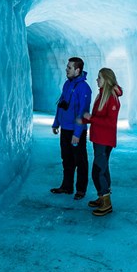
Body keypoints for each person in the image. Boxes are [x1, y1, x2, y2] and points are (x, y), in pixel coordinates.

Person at [82, 67, 122, 217]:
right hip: (99, 139)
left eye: (99, 77)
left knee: (99, 171)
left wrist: (90, 118)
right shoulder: (102, 95)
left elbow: (110, 122)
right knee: (101, 169)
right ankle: (102, 197)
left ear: (107, 79)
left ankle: (106, 203)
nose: (96, 79)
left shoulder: (111, 98)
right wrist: (86, 118)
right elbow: (100, 117)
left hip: (104, 140)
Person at [50, 57, 92, 200]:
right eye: (67, 67)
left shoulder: (84, 88)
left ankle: (81, 189)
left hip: (76, 132)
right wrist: (56, 122)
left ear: (77, 70)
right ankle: (67, 186)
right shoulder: (67, 85)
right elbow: (61, 104)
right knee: (66, 159)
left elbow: (82, 112)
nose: (66, 70)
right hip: (65, 129)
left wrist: (77, 133)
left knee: (80, 161)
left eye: (69, 68)